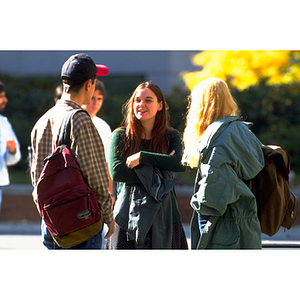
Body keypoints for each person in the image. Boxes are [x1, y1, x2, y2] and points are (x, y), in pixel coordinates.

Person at [30, 53, 114, 249]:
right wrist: (108, 217)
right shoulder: (80, 119)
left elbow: (37, 179)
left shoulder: (43, 120)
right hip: (81, 222)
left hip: (53, 222)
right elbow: (96, 175)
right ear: (88, 85)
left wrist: (48, 215)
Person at [181, 77, 264, 249]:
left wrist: (198, 205)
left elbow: (213, 193)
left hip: (222, 230)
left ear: (202, 106)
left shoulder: (218, 139)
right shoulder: (242, 131)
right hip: (246, 223)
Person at [106, 81, 188, 249]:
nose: (141, 104)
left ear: (160, 106)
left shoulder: (171, 137)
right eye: (137, 100)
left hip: (167, 216)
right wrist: (162, 165)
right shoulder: (121, 136)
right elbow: (118, 173)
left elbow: (180, 164)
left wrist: (142, 157)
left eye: (148, 100)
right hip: (127, 217)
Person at [82, 80, 113, 249]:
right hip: (79, 192)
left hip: (99, 194)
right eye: (92, 97)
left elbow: (108, 164)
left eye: (99, 98)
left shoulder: (104, 126)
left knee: (98, 242)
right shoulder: (76, 120)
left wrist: (110, 192)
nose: (95, 103)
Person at [0, 81, 21, 212]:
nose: (5, 100)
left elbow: (12, 158)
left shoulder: (3, 123)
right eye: (1, 96)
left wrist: (13, 152)